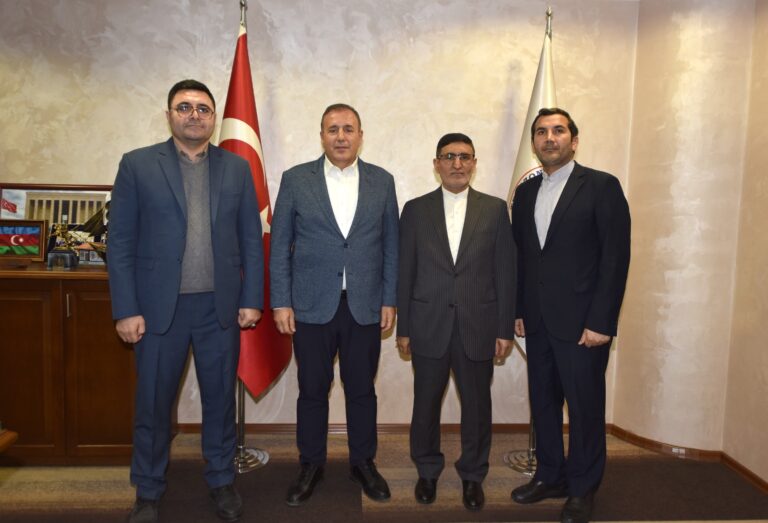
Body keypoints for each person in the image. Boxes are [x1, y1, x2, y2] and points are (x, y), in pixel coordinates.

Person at [108, 79, 264, 523]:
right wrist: (126, 309)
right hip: (159, 311)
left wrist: (252, 298)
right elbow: (120, 242)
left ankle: (221, 480)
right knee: (153, 405)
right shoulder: (137, 165)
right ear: (169, 115)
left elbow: (251, 240)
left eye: (203, 108)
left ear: (213, 118)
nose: (194, 115)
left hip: (219, 309)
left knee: (220, 401)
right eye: (184, 107)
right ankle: (148, 489)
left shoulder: (236, 168)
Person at [269, 103, 398, 506]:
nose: (341, 136)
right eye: (332, 129)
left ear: (361, 135)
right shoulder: (295, 179)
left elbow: (391, 246)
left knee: (361, 389)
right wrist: (281, 302)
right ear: (321, 135)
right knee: (312, 389)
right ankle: (311, 464)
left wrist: (389, 299)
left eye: (348, 129)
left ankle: (363, 462)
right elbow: (280, 247)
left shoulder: (382, 181)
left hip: (364, 305)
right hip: (310, 306)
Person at [510, 108, 631, 523]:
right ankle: (550, 476)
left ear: (573, 141)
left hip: (584, 326)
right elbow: (524, 258)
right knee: (543, 404)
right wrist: (518, 310)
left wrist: (602, 321)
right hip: (538, 322)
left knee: (584, 410)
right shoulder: (526, 192)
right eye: (541, 132)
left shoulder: (601, 186)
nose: (550, 138)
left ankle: (582, 488)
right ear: (534, 143)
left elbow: (615, 258)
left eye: (558, 131)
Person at [396, 133, 516, 511]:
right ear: (437, 164)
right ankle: (427, 470)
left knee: (477, 408)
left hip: (478, 326)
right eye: (449, 156)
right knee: (425, 405)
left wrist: (504, 329)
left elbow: (505, 272)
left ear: (474, 163)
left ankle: (473, 475)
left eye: (465, 156)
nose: (457, 163)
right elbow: (405, 272)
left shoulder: (494, 210)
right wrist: (404, 328)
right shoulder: (415, 210)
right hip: (427, 324)